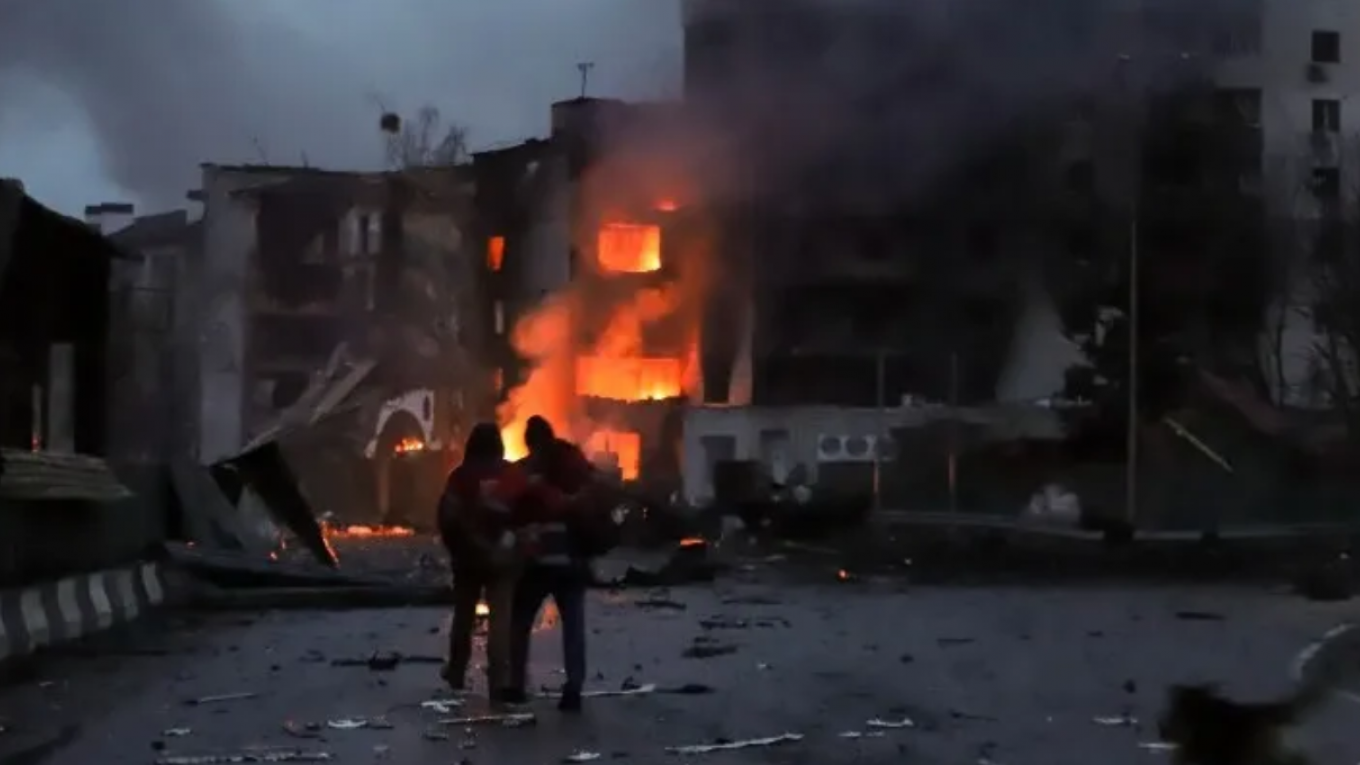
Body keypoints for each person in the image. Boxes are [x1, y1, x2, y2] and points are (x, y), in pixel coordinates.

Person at [436, 423, 532, 703]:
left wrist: (457, 549)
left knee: (463, 617)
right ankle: (498, 680)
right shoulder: (511, 475)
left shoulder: (460, 476)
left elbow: (447, 518)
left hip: (467, 559)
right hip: (502, 559)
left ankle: (457, 670)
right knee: (501, 620)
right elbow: (527, 513)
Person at [508, 415, 597, 712]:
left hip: (537, 561)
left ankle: (516, 685)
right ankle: (573, 688)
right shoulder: (574, 462)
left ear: (529, 442)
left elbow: (511, 509)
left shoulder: (526, 470)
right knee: (574, 626)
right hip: (571, 559)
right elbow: (592, 494)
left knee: (520, 621)